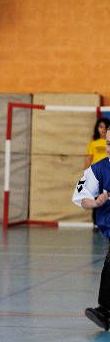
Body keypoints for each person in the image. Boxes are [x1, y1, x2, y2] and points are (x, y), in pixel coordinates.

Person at [72, 124, 110, 330]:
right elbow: (81, 197)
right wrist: (96, 202)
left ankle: (105, 310)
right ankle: (104, 311)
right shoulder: (97, 170)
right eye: (108, 143)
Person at [84, 117, 110, 228]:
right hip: (97, 176)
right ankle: (96, 224)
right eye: (100, 127)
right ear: (97, 128)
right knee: (96, 199)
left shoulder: (108, 142)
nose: (102, 129)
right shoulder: (93, 144)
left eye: (105, 127)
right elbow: (88, 160)